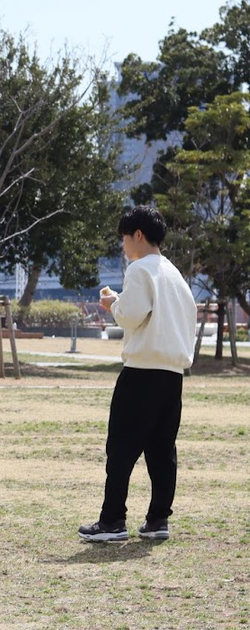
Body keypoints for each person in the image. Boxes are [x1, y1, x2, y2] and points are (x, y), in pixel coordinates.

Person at [79, 205, 198, 543]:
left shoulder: (139, 269)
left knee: (121, 447)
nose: (123, 245)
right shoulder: (174, 274)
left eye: (125, 238)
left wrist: (113, 304)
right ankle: (158, 519)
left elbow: (130, 315)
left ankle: (112, 521)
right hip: (173, 374)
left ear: (139, 235)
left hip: (142, 371)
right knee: (162, 450)